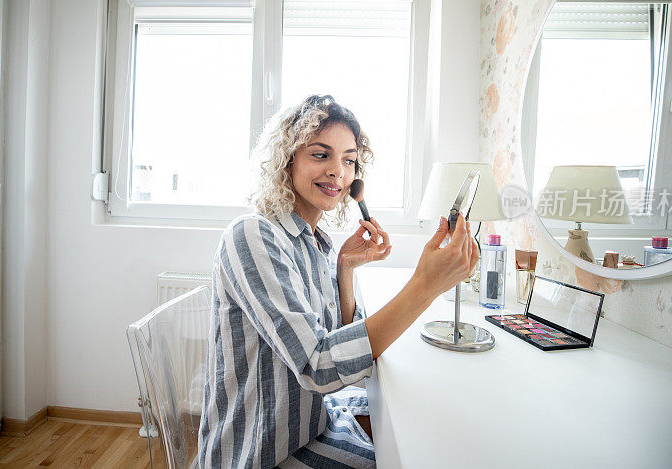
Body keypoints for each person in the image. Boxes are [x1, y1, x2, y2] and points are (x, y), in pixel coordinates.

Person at [198, 95, 478, 468]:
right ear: (287, 160)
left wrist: (344, 269)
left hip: (309, 422)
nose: (338, 172)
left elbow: (337, 338)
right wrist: (424, 285)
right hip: (264, 448)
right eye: (320, 155)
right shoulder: (253, 234)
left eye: (348, 160)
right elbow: (319, 366)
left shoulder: (319, 243)